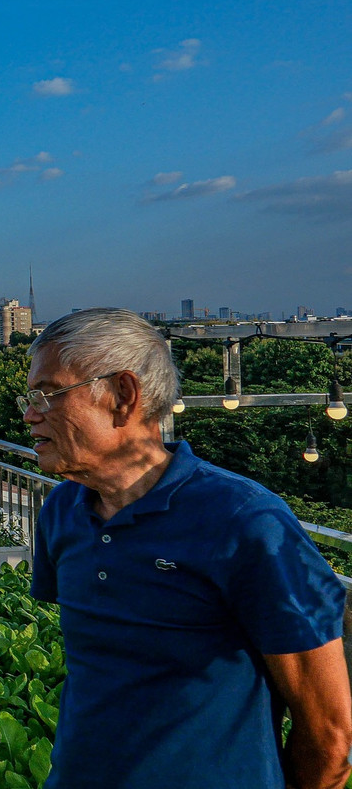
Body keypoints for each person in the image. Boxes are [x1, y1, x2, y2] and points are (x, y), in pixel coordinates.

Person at [23, 308, 351, 789]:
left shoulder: (246, 523)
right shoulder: (61, 511)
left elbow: (329, 735)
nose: (31, 413)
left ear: (122, 396)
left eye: (48, 394)